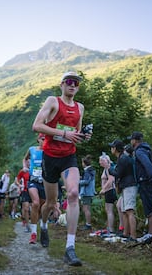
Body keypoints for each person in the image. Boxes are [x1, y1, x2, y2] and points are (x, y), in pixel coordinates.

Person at [32, 71, 91, 266]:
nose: (73, 85)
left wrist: (83, 136)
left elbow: (77, 133)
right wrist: (63, 134)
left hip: (68, 157)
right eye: (69, 82)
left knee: (73, 194)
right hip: (50, 157)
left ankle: (70, 248)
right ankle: (43, 225)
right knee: (50, 203)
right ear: (62, 85)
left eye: (76, 83)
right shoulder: (53, 101)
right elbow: (37, 126)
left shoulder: (80, 107)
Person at [128, 132, 152, 242]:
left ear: (135, 141)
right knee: (149, 207)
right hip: (147, 182)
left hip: (146, 182)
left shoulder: (139, 151)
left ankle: (151, 234)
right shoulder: (146, 149)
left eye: (131, 139)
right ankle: (150, 232)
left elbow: (148, 165)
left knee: (148, 209)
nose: (130, 142)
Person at [108, 139, 138, 242]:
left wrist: (109, 169)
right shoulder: (123, 158)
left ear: (115, 148)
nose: (111, 148)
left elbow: (118, 174)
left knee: (129, 211)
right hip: (127, 186)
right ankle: (125, 233)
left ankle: (133, 236)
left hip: (129, 186)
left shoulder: (123, 159)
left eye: (112, 147)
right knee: (125, 211)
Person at [23, 133, 46, 244]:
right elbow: (25, 158)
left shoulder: (48, 151)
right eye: (42, 139)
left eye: (46, 139)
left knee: (42, 208)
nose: (44, 141)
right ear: (38, 139)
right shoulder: (31, 149)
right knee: (35, 203)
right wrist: (25, 167)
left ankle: (42, 226)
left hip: (45, 182)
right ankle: (33, 234)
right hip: (33, 181)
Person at [98, 153, 117, 236]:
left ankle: (111, 229)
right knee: (108, 210)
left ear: (106, 161)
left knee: (109, 210)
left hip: (110, 190)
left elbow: (111, 180)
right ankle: (109, 227)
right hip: (108, 191)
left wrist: (103, 189)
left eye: (101, 161)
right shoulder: (105, 169)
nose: (100, 162)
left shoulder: (109, 168)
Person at [79, 155, 96, 231]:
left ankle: (88, 224)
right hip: (89, 192)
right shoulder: (91, 170)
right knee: (86, 208)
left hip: (86, 192)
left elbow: (86, 181)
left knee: (86, 209)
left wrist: (77, 182)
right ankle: (87, 223)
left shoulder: (87, 171)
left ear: (84, 163)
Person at [17, 160, 31, 231]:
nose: (28, 163)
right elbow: (17, 179)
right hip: (25, 191)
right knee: (25, 208)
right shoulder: (23, 171)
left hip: (34, 190)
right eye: (27, 162)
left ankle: (37, 223)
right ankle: (27, 225)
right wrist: (19, 185)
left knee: (36, 207)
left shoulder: (34, 169)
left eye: (29, 162)